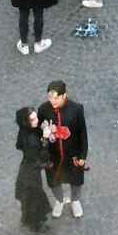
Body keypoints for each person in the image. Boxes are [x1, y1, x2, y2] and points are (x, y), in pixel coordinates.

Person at [36, 81, 89, 219]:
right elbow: (38, 131)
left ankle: (75, 200)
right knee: (53, 181)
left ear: (64, 95)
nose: (53, 101)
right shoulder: (43, 110)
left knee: (76, 179)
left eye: (56, 98)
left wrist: (83, 155)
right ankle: (59, 200)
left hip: (72, 154)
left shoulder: (76, 109)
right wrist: (44, 135)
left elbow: (82, 133)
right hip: (52, 155)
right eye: (50, 98)